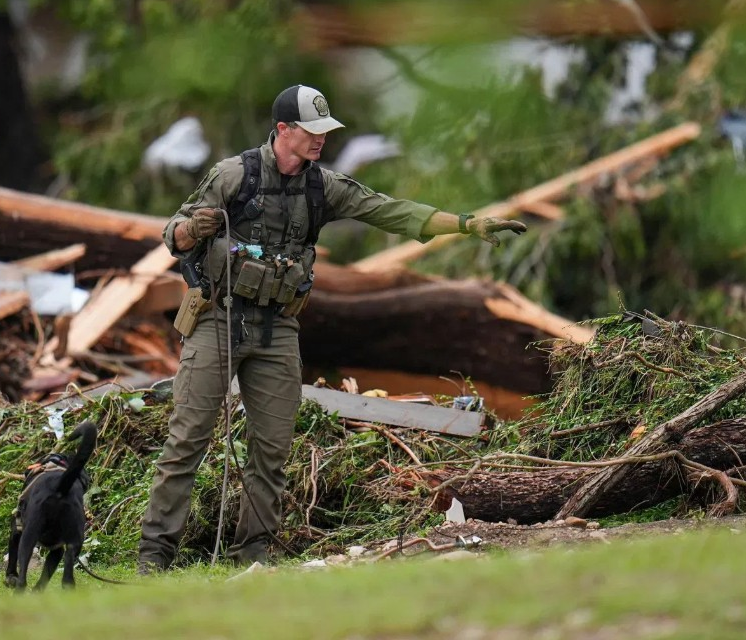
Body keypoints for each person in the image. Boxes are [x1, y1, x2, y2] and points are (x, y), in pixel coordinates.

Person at [137, 84, 526, 572]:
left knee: (273, 449)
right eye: (312, 130)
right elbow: (172, 234)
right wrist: (194, 229)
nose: (321, 139)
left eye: (325, 130)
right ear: (284, 130)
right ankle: (155, 557)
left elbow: (391, 211)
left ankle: (252, 555)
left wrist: (467, 224)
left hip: (278, 328)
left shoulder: (324, 187)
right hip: (220, 317)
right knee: (188, 439)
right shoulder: (233, 175)